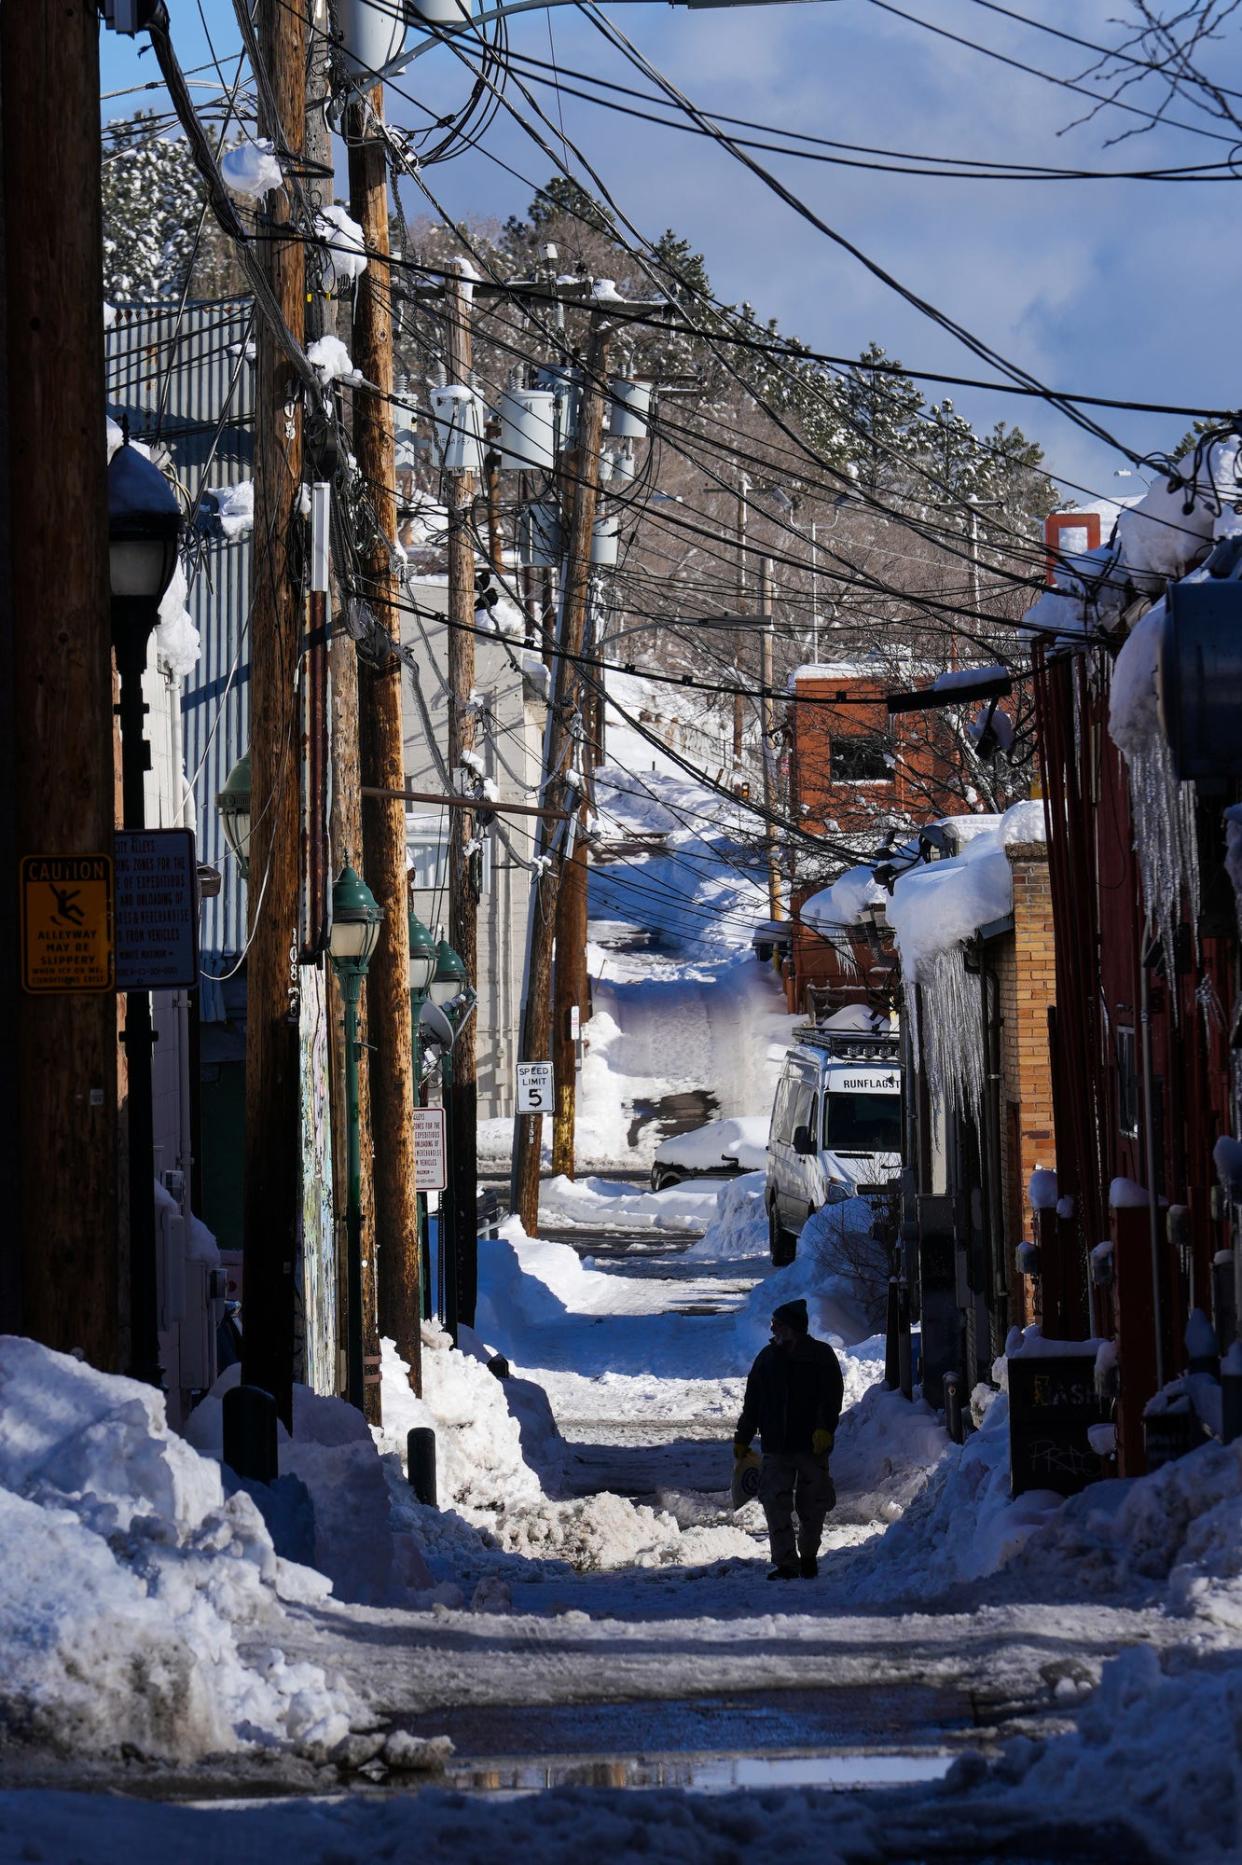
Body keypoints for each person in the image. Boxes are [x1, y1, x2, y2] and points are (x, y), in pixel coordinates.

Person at [734, 1297, 844, 1580]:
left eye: (778, 1325)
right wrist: (743, 1437)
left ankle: (808, 1557)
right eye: (773, 1325)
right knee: (774, 1502)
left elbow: (830, 1398)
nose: (774, 1330)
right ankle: (786, 1563)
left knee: (813, 1505)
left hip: (811, 1446)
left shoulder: (820, 1356)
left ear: (793, 1327)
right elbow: (753, 1403)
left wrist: (824, 1428)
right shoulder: (767, 1359)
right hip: (776, 1445)